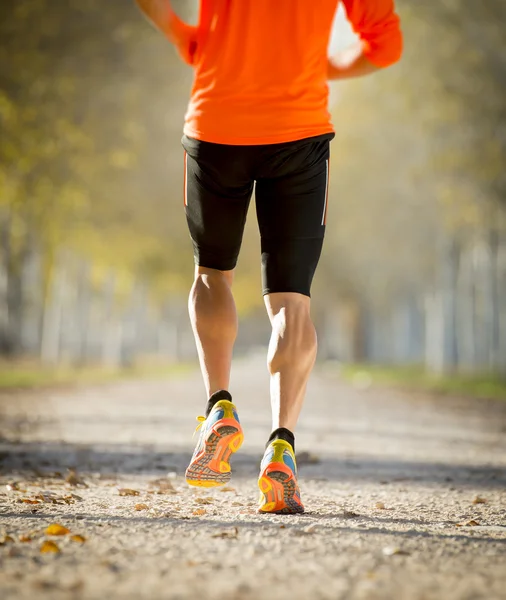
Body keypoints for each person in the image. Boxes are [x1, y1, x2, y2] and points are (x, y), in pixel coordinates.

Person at [135, 0, 402, 514]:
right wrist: (322, 65)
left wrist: (185, 37)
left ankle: (219, 409)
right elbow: (386, 46)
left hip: (217, 122)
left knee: (212, 273)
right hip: (298, 129)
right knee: (292, 300)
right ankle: (281, 449)